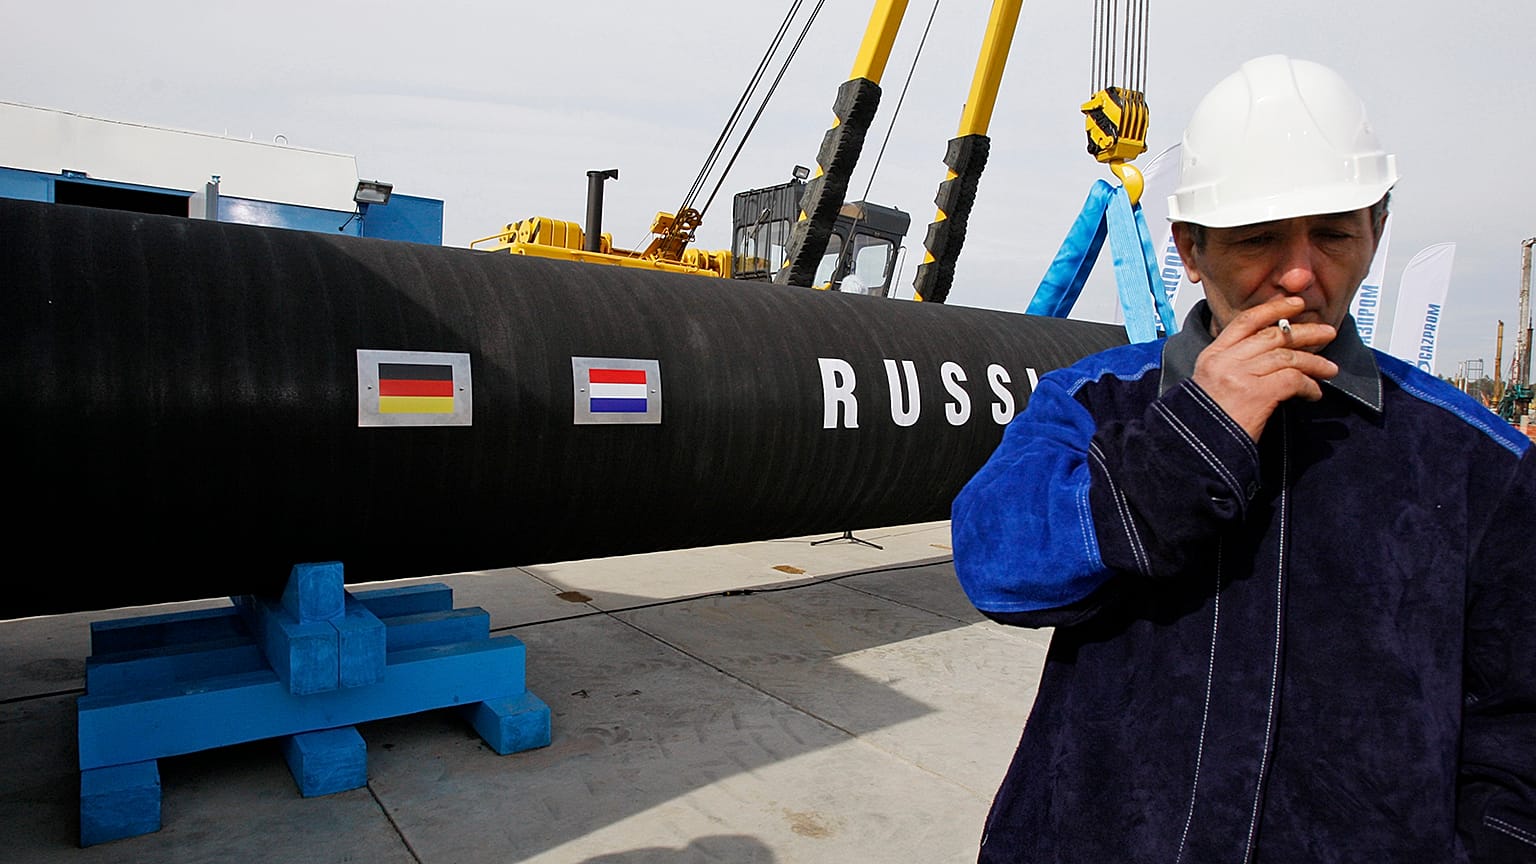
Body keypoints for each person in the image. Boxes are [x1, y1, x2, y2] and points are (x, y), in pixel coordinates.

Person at [952, 54, 1536, 863]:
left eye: (1334, 232)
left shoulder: (1478, 462)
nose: (1300, 272)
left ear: (1377, 230)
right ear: (1190, 249)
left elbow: (1518, 724)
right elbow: (996, 563)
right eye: (1259, 237)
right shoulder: (1096, 401)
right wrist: (1191, 439)